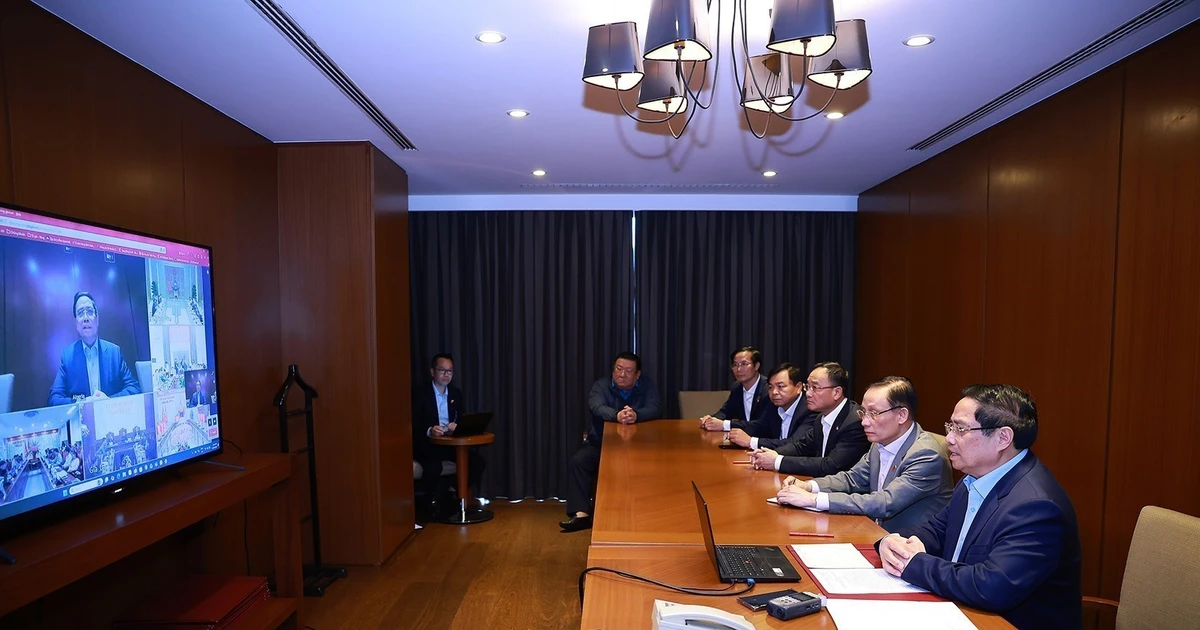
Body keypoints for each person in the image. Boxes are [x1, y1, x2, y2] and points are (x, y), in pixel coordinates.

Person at [877, 384, 1081, 630]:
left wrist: (911, 563)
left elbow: (991, 586)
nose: (949, 439)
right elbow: (936, 529)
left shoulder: (1036, 506)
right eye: (950, 427)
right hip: (957, 611)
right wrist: (895, 542)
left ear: (1003, 438)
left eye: (961, 429)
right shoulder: (974, 479)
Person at [775, 376, 952, 533]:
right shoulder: (880, 443)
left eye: (873, 413)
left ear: (901, 415)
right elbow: (852, 479)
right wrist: (809, 486)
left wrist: (814, 500)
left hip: (909, 548)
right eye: (863, 412)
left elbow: (885, 502)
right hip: (874, 532)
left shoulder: (926, 455)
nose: (864, 422)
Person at [561, 351, 661, 532]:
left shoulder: (647, 386)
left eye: (628, 371)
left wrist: (636, 415)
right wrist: (617, 415)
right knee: (578, 462)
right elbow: (596, 406)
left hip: (639, 447)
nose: (622, 374)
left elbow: (654, 408)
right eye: (618, 369)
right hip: (600, 444)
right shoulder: (601, 385)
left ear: (638, 374)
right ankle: (581, 514)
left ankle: (647, 514)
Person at [747, 361, 868, 475]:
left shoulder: (855, 423)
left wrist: (777, 461)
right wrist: (771, 454)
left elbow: (830, 465)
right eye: (808, 387)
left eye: (815, 388)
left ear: (836, 392)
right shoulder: (821, 417)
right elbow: (800, 446)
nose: (808, 394)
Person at [411, 353, 484, 517]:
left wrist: (456, 427)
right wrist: (430, 429)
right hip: (426, 444)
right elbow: (413, 423)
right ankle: (428, 504)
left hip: (449, 443)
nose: (446, 375)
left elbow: (460, 417)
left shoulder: (455, 393)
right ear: (432, 372)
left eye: (450, 371)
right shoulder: (420, 393)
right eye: (442, 370)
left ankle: (454, 492)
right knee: (433, 467)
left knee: (478, 462)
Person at [47, 292, 141, 407]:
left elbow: (134, 389)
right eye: (80, 313)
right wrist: (81, 403)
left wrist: (109, 401)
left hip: (110, 418)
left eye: (90, 312)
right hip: (82, 421)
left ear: (97, 320)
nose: (86, 318)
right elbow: (54, 399)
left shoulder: (113, 352)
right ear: (76, 323)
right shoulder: (68, 356)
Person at [726, 363, 815, 450]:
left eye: (780, 386)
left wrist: (751, 441)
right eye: (770, 387)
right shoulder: (773, 406)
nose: (774, 392)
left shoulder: (809, 410)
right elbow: (758, 427)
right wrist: (734, 434)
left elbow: (794, 444)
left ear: (798, 387)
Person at [699, 346, 770, 431]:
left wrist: (725, 425)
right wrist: (711, 419)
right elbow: (726, 411)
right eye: (735, 365)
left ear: (756, 366)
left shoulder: (769, 389)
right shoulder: (737, 387)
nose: (739, 369)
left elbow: (762, 423)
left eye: (744, 364)